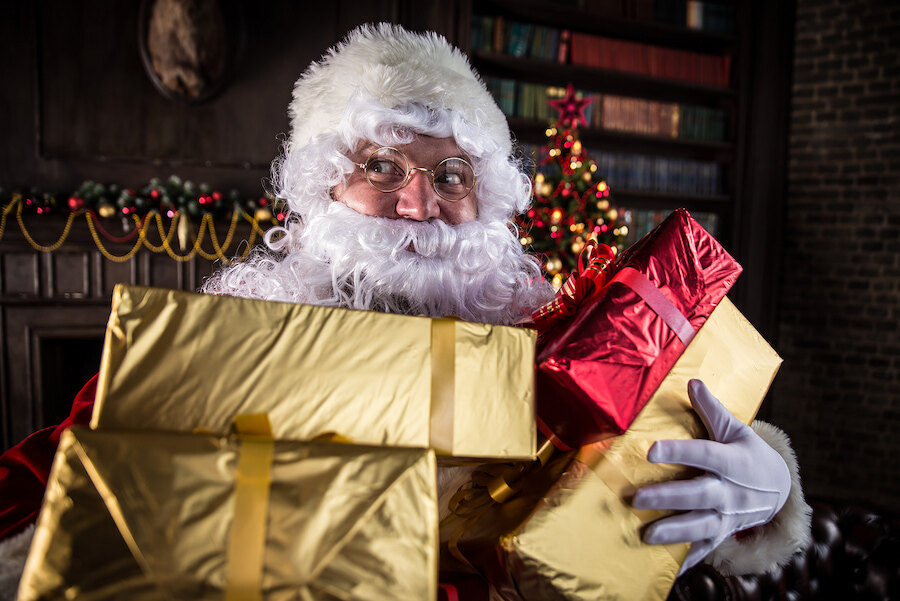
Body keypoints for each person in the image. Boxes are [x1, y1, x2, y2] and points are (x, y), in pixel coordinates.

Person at [0, 23, 811, 599]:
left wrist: (770, 493)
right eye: (382, 166)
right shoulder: (223, 343)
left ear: (487, 201)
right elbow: (39, 479)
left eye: (451, 174)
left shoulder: (547, 348)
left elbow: (657, 454)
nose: (419, 205)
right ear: (323, 187)